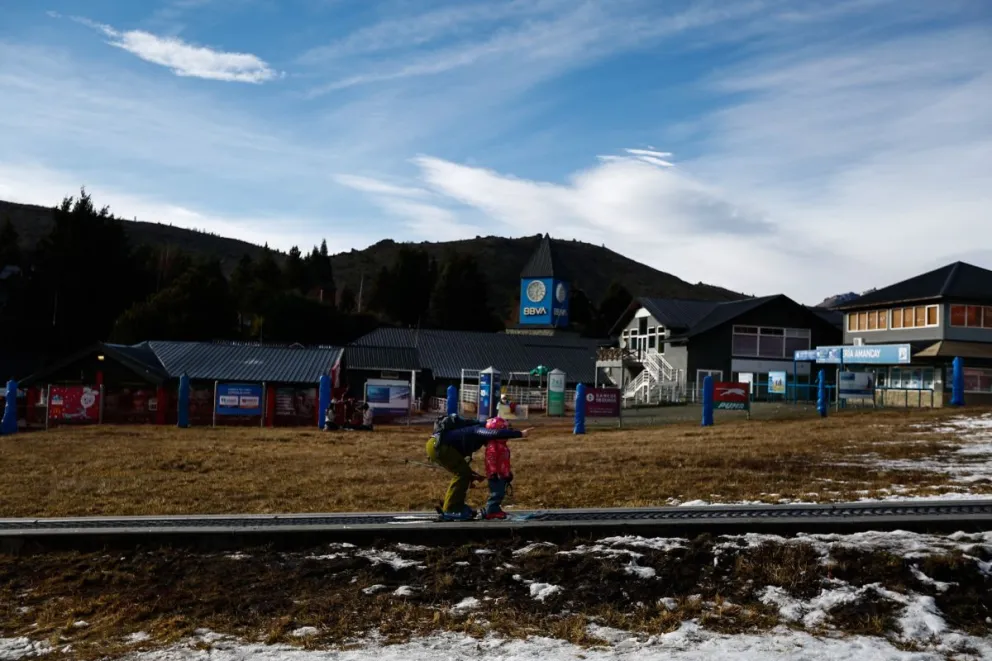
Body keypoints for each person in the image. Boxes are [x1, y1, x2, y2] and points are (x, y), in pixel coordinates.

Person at [426, 414, 527, 520]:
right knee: (462, 474)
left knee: (464, 474)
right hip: (439, 446)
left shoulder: (475, 430)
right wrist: (520, 433)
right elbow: (495, 433)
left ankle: (453, 505)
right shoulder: (478, 429)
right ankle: (451, 509)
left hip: (435, 445)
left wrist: (471, 474)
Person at [481, 416, 524, 520]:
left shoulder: (502, 445)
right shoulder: (493, 445)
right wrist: (493, 472)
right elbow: (491, 460)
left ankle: (495, 509)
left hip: (502, 474)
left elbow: (504, 461)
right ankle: (491, 510)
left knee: (501, 493)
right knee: (496, 493)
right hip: (496, 475)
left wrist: (507, 473)